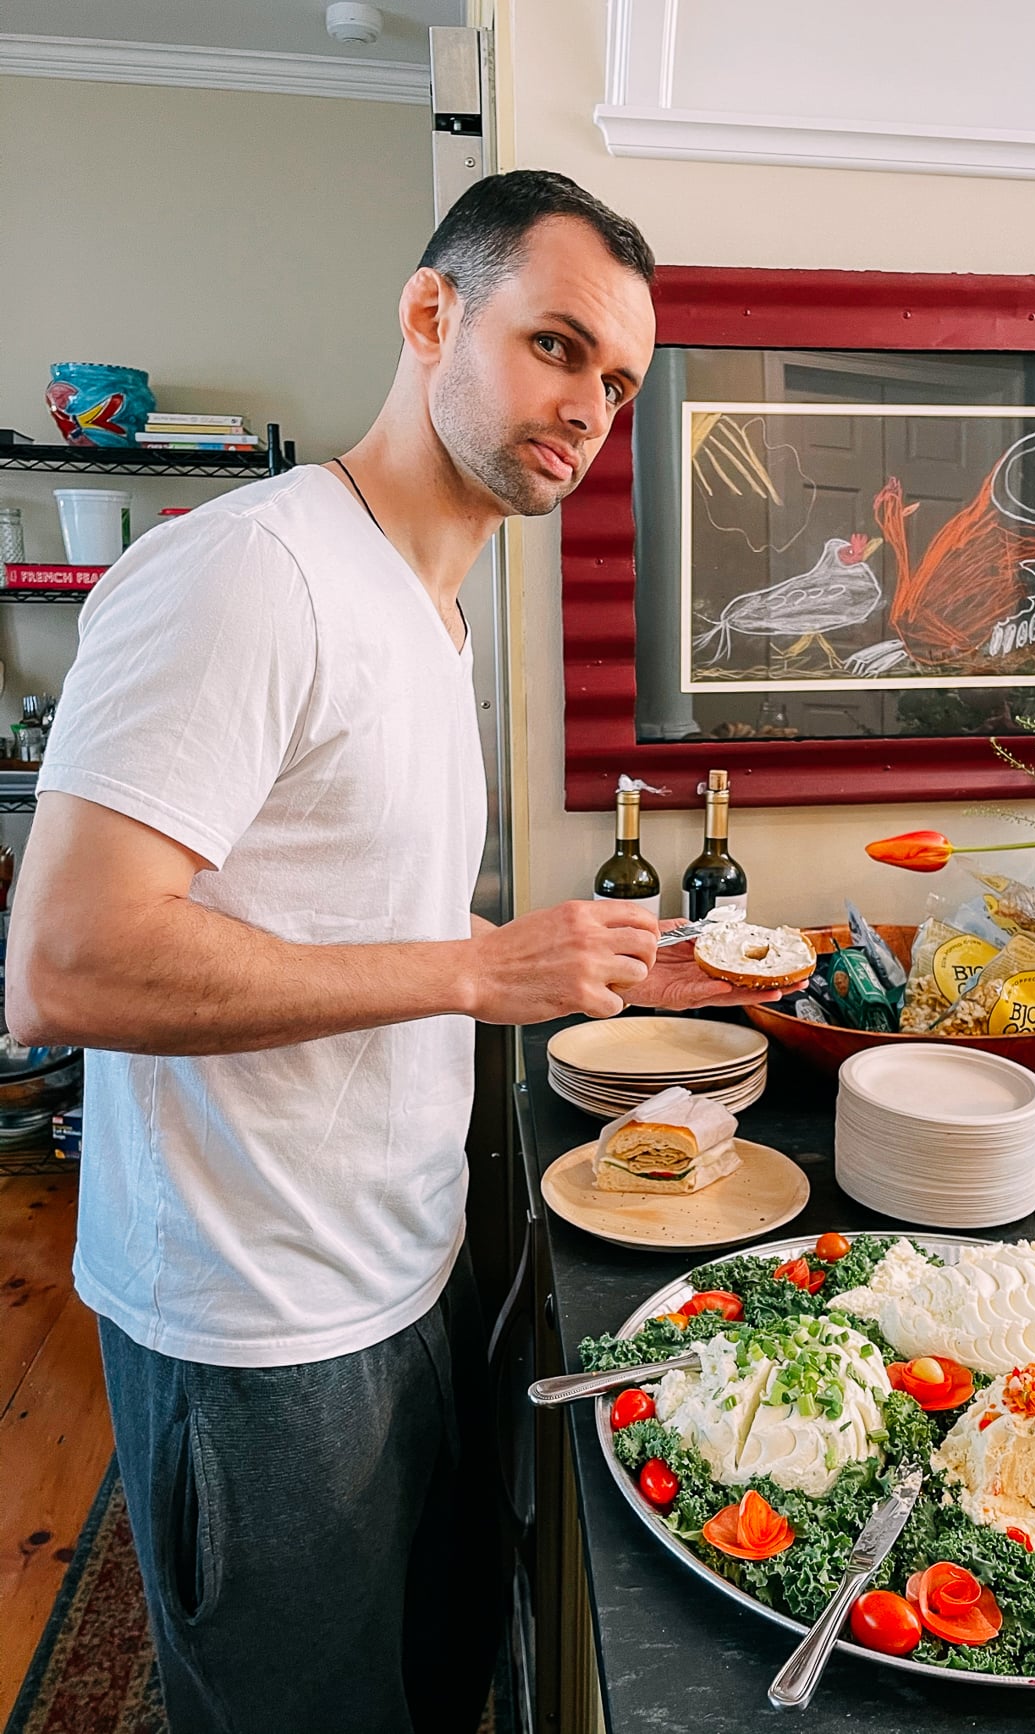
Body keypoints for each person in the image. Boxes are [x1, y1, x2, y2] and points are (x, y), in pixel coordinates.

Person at [5, 171, 796, 1734]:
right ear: (431, 312)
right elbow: (68, 963)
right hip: (254, 1330)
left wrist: (596, 968)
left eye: (619, 381)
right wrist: (473, 971)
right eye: (557, 346)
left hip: (398, 1277)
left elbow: (350, 926)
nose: (588, 407)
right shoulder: (250, 572)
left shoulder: (426, 613)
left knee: (432, 1686)